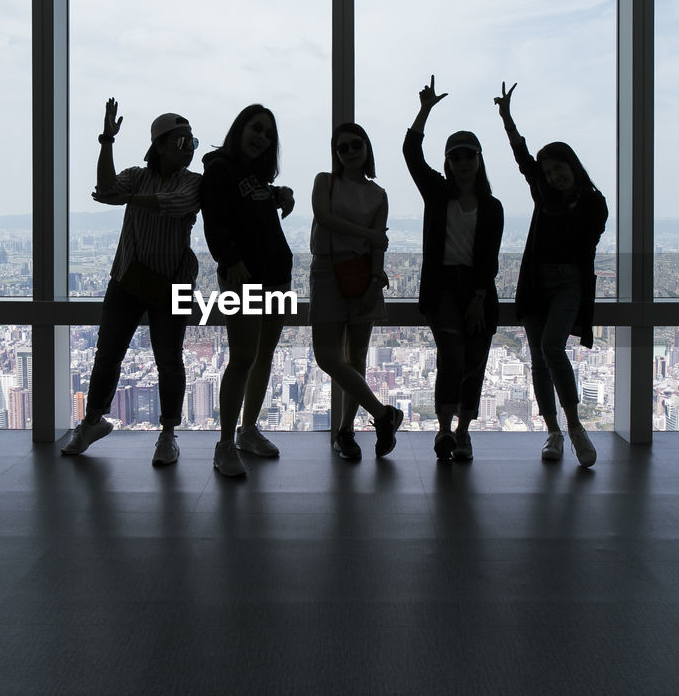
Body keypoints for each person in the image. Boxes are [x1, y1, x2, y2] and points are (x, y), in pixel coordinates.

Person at [62, 99, 201, 465]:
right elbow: (106, 187)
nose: (189, 149)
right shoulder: (137, 176)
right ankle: (92, 421)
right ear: (159, 145)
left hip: (171, 281)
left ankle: (168, 434)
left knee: (169, 360)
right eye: (183, 142)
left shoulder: (193, 182)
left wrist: (127, 199)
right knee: (107, 355)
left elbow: (174, 203)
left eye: (193, 143)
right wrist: (106, 140)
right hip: (128, 277)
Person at [495, 82, 608, 468]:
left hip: (568, 283)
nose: (553, 175)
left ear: (572, 165)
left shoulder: (594, 204)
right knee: (539, 357)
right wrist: (507, 120)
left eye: (558, 168)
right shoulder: (544, 194)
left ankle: (574, 427)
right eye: (548, 171)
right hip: (536, 283)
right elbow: (522, 158)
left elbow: (585, 246)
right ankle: (553, 431)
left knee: (551, 347)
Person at [404, 76, 504, 461]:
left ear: (478, 161)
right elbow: (411, 154)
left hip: (477, 289)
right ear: (448, 162)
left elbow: (490, 258)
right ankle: (445, 430)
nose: (462, 162)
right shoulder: (437, 192)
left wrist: (479, 296)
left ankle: (462, 431)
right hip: (443, 287)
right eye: (456, 156)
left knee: (474, 361)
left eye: (469, 155)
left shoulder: (492, 207)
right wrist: (425, 110)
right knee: (453, 357)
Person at [200, 104, 297, 477]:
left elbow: (251, 207)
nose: (262, 137)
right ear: (240, 128)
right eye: (257, 128)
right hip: (243, 278)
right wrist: (232, 262)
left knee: (264, 354)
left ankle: (248, 430)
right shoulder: (219, 169)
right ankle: (224, 444)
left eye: (268, 134)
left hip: (276, 274)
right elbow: (216, 223)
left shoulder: (254, 174)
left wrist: (279, 194)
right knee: (242, 357)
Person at [309, 123, 404, 461]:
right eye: (343, 147)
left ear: (367, 149)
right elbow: (324, 217)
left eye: (356, 145)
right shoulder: (325, 181)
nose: (350, 151)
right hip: (326, 272)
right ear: (336, 153)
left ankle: (346, 431)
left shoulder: (378, 194)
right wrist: (370, 234)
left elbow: (377, 246)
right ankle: (382, 415)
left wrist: (376, 281)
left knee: (357, 358)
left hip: (364, 274)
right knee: (327, 356)